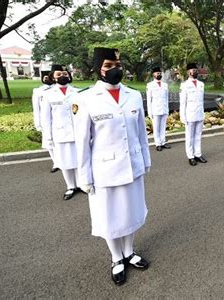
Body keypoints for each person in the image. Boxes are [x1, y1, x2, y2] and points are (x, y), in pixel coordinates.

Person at [72, 47, 151, 286]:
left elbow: (141, 134)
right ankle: (116, 258)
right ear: (98, 69)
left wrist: (146, 160)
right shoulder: (84, 99)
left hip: (132, 164)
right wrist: (83, 177)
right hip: (104, 170)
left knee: (132, 212)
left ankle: (129, 251)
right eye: (108, 66)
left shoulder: (133, 95)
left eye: (118, 64)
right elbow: (82, 142)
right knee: (109, 216)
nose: (115, 69)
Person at [41, 64, 80, 200]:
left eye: (65, 74)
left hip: (77, 132)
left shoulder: (77, 92)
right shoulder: (48, 95)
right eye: (59, 75)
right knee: (64, 162)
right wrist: (48, 137)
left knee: (78, 160)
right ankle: (70, 186)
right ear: (53, 77)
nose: (62, 76)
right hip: (60, 133)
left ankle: (80, 184)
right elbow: (46, 118)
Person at [180, 63, 207, 166]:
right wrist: (183, 116)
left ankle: (198, 154)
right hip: (190, 114)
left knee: (198, 135)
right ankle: (190, 156)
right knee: (190, 136)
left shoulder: (201, 84)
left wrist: (203, 113)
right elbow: (183, 102)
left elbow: (201, 101)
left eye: (196, 70)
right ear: (188, 72)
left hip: (199, 113)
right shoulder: (184, 85)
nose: (195, 72)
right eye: (193, 70)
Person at [32, 70, 59, 173]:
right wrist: (38, 123)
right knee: (49, 144)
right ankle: (55, 163)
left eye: (48, 77)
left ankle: (61, 161)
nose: (47, 79)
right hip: (45, 120)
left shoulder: (57, 89)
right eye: (45, 78)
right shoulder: (38, 91)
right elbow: (36, 108)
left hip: (57, 119)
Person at [146, 66, 171, 151]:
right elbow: (149, 100)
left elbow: (166, 98)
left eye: (160, 73)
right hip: (155, 110)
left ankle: (163, 142)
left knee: (163, 127)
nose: (159, 74)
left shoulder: (165, 85)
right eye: (157, 73)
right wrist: (150, 112)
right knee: (156, 128)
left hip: (164, 109)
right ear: (153, 74)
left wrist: (167, 110)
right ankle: (158, 143)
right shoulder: (150, 85)